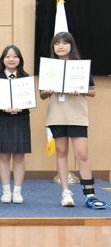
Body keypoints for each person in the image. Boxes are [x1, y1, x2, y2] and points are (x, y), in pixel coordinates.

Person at [40, 32, 107, 209]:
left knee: (82, 154)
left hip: (77, 115)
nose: (60, 46)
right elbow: (42, 95)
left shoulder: (80, 67)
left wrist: (80, 90)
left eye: (64, 43)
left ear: (71, 45)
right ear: (53, 47)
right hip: (57, 115)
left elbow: (92, 91)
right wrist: (49, 90)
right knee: (61, 152)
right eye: (57, 43)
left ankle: (90, 194)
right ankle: (65, 192)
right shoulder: (49, 67)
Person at [0, 45, 31, 204]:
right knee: (4, 156)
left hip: (21, 119)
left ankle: (18, 192)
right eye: (7, 56)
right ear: (2, 60)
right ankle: (6, 191)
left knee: (19, 156)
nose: (11, 59)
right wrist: (2, 107)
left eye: (14, 56)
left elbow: (30, 101)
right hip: (3, 119)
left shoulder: (26, 78)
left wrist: (22, 107)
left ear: (20, 59)